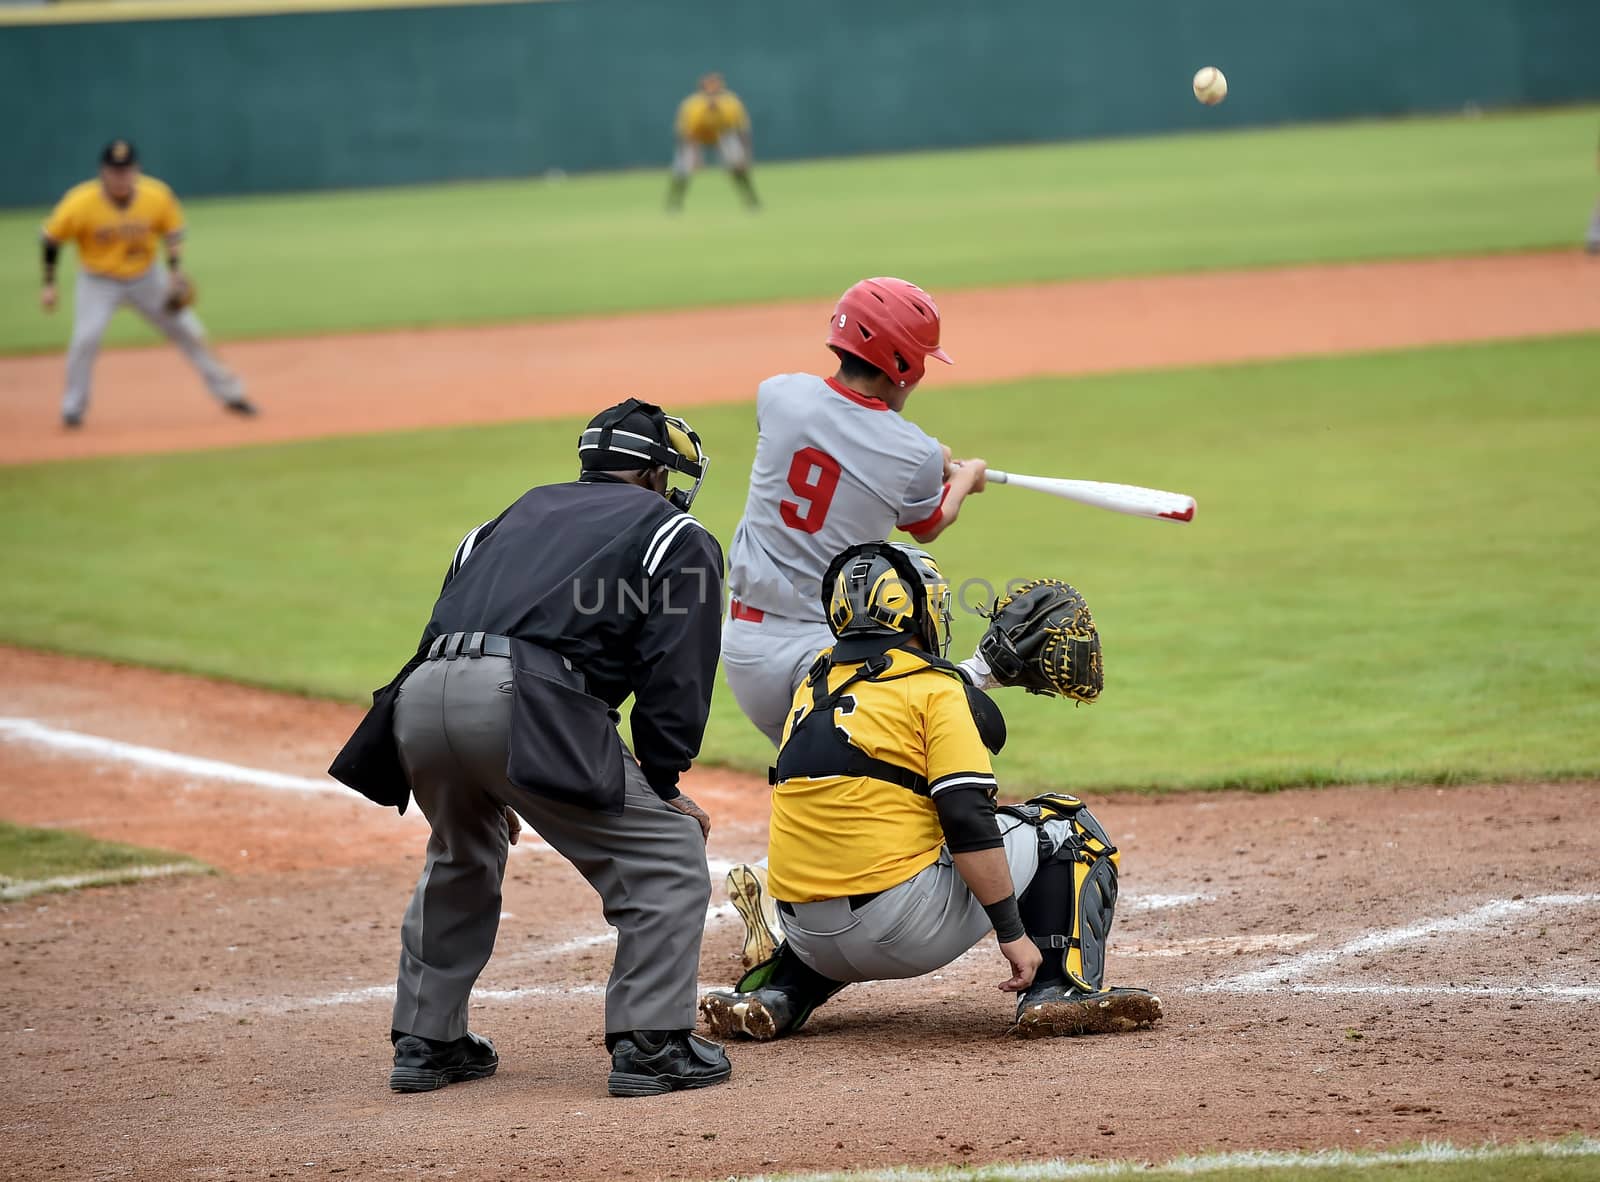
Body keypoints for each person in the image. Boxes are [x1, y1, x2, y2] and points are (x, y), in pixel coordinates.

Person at [329, 399, 732, 1099]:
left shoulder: (500, 522)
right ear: (654, 473)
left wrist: (487, 770)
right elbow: (678, 671)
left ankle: (429, 1042)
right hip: (519, 700)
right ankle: (652, 1044)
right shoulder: (673, 534)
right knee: (666, 853)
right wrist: (663, 780)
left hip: (419, 698)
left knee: (462, 850)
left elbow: (447, 625)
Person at [699, 542, 1163, 1043]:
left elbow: (900, 690)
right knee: (1065, 826)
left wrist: (980, 672)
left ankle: (781, 992)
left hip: (806, 937)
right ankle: (1058, 988)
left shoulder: (814, 683)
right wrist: (1012, 935)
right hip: (898, 933)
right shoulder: (934, 691)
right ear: (920, 612)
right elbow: (967, 818)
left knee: (854, 845)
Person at [718, 276, 988, 967]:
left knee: (817, 778)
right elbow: (927, 522)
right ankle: (809, 922)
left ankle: (784, 912)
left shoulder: (778, 395)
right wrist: (962, 477)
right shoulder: (915, 452)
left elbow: (830, 447)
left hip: (744, 648)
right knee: (911, 772)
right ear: (906, 364)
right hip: (826, 656)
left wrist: (925, 465)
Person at [38, 139, 253, 429]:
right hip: (98, 282)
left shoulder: (157, 195)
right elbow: (51, 238)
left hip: (146, 278)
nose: (121, 176)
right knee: (85, 340)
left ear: (136, 170)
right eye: (115, 170)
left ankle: (232, 395)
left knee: (189, 331)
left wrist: (175, 271)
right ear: (103, 172)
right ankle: (73, 409)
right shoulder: (79, 202)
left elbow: (173, 232)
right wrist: (49, 283)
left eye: (126, 170)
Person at [667, 73, 759, 211]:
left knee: (738, 167)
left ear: (721, 90)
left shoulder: (731, 103)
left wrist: (746, 154)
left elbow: (742, 130)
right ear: (702, 91)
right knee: (682, 167)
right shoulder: (693, 106)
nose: (712, 95)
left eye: (716, 90)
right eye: (708, 91)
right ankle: (674, 203)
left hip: (723, 135)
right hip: (696, 137)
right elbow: (685, 134)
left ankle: (751, 200)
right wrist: (695, 157)